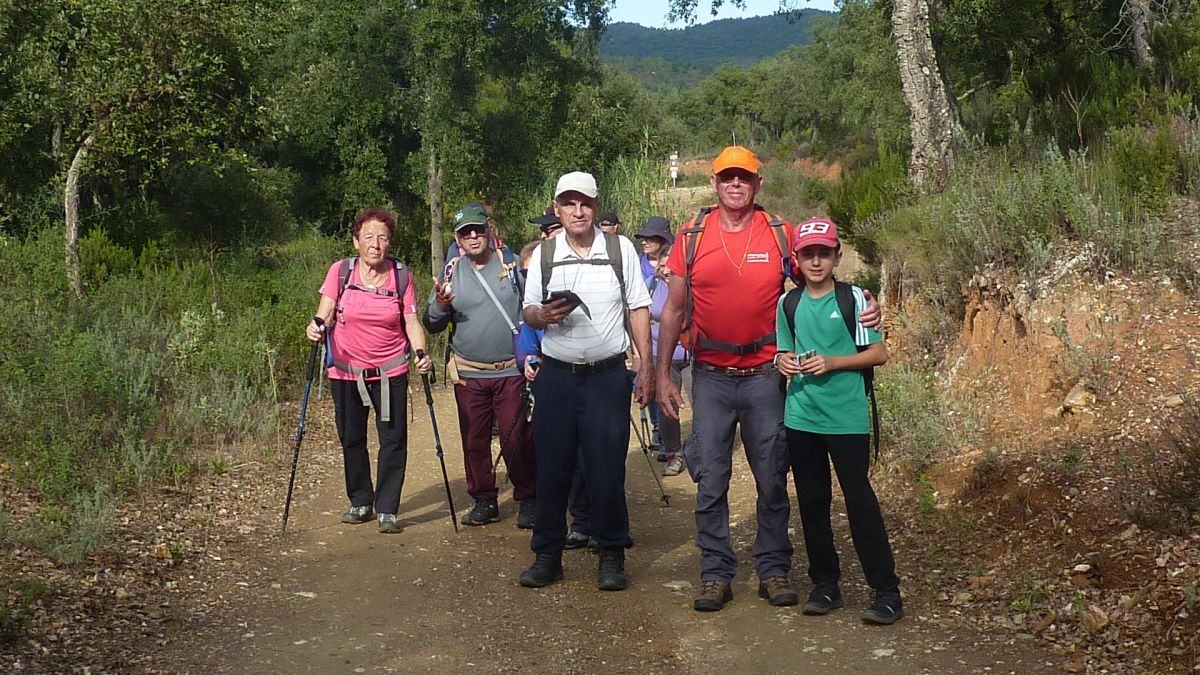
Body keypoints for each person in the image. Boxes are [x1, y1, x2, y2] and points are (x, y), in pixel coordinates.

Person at [655, 146, 881, 612]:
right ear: (714, 184)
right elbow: (673, 309)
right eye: (726, 177)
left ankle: (773, 568)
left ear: (758, 184)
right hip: (711, 375)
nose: (735, 184)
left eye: (744, 177)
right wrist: (661, 375)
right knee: (712, 479)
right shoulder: (692, 235)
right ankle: (715, 573)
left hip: (765, 374)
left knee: (772, 476)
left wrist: (864, 302)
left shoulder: (779, 232)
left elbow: (818, 275)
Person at [518, 171, 653, 592]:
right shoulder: (544, 254)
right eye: (569, 204)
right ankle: (548, 555)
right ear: (556, 208)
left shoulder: (620, 249)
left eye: (585, 203)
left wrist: (646, 366)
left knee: (606, 468)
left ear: (596, 206)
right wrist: (541, 316)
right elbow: (528, 311)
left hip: (608, 375)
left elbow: (638, 308)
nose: (578, 211)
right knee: (553, 468)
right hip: (556, 375)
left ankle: (611, 553)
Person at [775, 217, 902, 625]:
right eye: (808, 254)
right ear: (796, 258)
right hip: (801, 417)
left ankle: (886, 591)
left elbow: (878, 355)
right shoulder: (787, 304)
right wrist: (784, 361)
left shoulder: (855, 301)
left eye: (823, 253)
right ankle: (825, 584)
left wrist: (832, 363)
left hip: (846, 418)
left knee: (860, 501)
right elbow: (782, 351)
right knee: (812, 503)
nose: (816, 261)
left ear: (837, 257)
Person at [305, 207, 433, 534]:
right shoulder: (340, 272)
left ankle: (387, 508)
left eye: (383, 238)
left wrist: (420, 352)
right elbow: (325, 312)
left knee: (392, 439)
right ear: (356, 241)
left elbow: (410, 321)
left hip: (389, 371)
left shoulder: (401, 276)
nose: (376, 244)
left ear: (390, 243)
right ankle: (361, 500)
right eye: (369, 237)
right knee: (351, 437)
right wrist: (316, 327)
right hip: (346, 372)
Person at [424, 204, 536, 528]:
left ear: (489, 230)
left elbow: (533, 308)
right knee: (474, 439)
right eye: (465, 232)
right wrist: (441, 305)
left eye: (478, 229)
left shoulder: (512, 265)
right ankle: (484, 500)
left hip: (511, 371)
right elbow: (432, 323)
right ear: (457, 238)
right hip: (469, 373)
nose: (473, 236)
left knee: (516, 438)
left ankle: (528, 497)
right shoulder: (451, 272)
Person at [634, 216, 686, 477]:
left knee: (702, 401)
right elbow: (636, 314)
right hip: (660, 354)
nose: (666, 271)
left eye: (671, 266)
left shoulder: (691, 285)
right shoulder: (650, 285)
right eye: (663, 266)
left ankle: (700, 447)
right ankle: (674, 451)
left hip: (692, 353)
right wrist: (639, 354)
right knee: (666, 403)